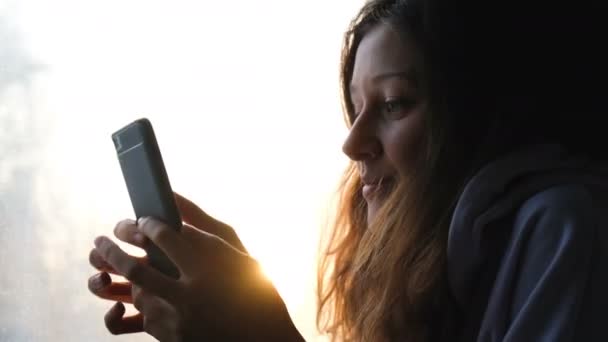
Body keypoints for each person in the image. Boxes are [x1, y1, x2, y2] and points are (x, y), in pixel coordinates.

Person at [88, 0, 608, 341]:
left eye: (395, 104)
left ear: (472, 116)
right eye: (354, 108)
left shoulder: (561, 227)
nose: (352, 142)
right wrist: (237, 295)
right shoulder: (427, 280)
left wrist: (258, 331)